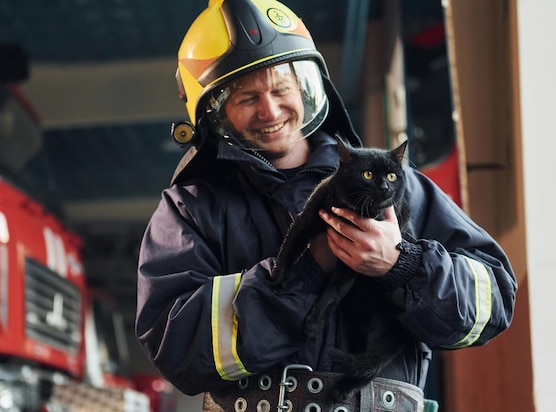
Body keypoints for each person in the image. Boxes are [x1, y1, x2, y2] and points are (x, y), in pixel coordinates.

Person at [135, 0, 518, 410]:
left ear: (306, 86)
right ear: (213, 112)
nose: (271, 110)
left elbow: (492, 302)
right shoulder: (191, 210)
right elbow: (175, 346)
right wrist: (306, 271)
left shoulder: (407, 189)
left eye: (282, 87)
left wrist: (402, 264)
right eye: (247, 98)